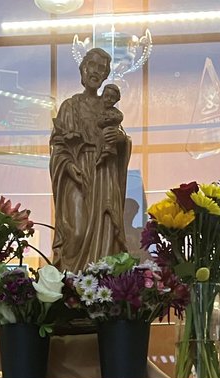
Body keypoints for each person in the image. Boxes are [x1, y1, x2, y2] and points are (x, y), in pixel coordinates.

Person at [49, 48, 131, 270]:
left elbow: (121, 140)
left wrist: (121, 139)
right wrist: (68, 166)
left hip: (104, 173)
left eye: (101, 69)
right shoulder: (70, 106)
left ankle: (100, 282)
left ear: (105, 76)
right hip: (76, 173)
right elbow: (58, 145)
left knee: (106, 227)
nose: (95, 71)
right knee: (76, 231)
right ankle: (71, 283)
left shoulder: (109, 108)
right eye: (92, 65)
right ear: (83, 68)